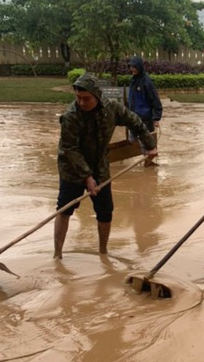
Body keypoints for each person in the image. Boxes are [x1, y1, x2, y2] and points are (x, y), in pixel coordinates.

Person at [54, 72, 157, 259]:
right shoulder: (71, 116)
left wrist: (150, 145)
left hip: (99, 166)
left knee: (105, 211)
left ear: (97, 96)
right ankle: (57, 255)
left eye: (86, 98)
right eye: (78, 98)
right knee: (64, 209)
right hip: (72, 168)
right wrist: (87, 177)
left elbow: (135, 122)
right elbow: (70, 149)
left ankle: (103, 252)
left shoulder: (111, 109)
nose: (82, 102)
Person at [128, 55, 163, 167]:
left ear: (139, 67)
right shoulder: (133, 80)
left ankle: (148, 165)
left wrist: (156, 118)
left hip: (145, 120)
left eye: (134, 67)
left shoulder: (147, 82)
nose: (132, 69)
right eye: (131, 67)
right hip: (133, 119)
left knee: (150, 147)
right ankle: (146, 163)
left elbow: (156, 102)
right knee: (131, 142)